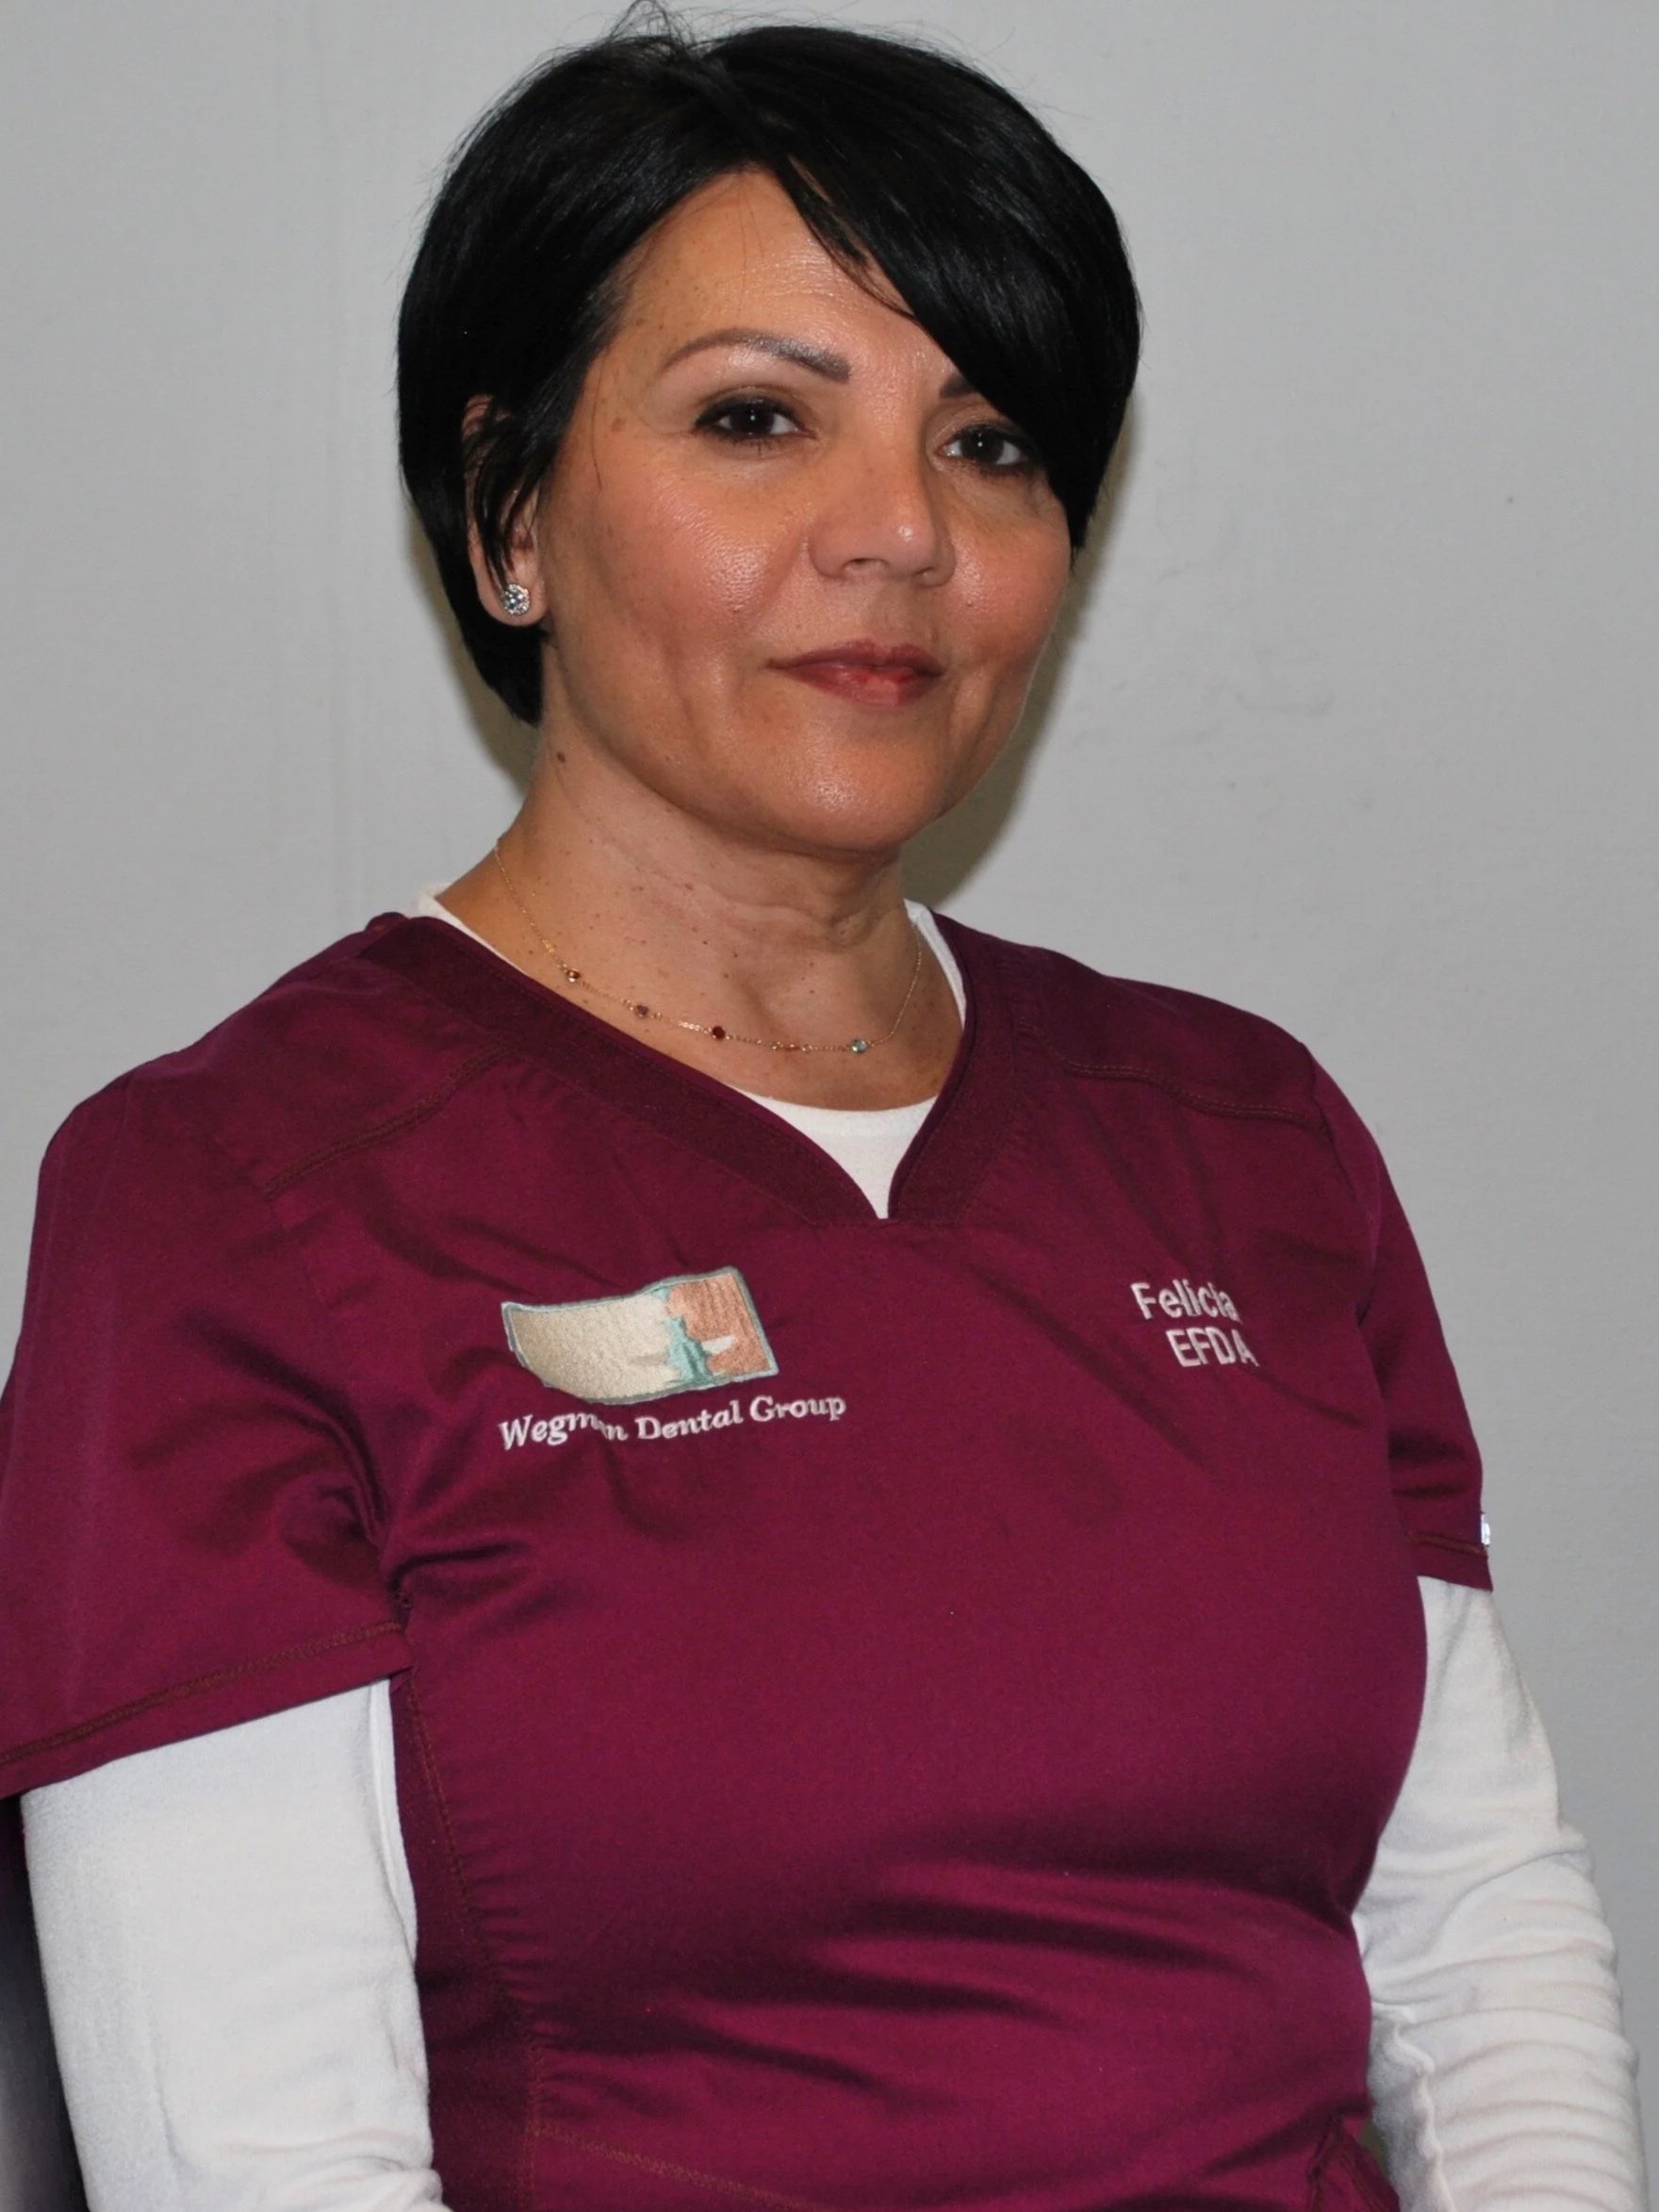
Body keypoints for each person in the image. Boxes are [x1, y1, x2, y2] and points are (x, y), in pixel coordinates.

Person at [0, 16, 1646, 2211]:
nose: (899, 533)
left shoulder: (1244, 1132)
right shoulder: (232, 1194)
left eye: (989, 444)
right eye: (756, 419)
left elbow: (1474, 1949)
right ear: (506, 514)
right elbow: (261, 2153)